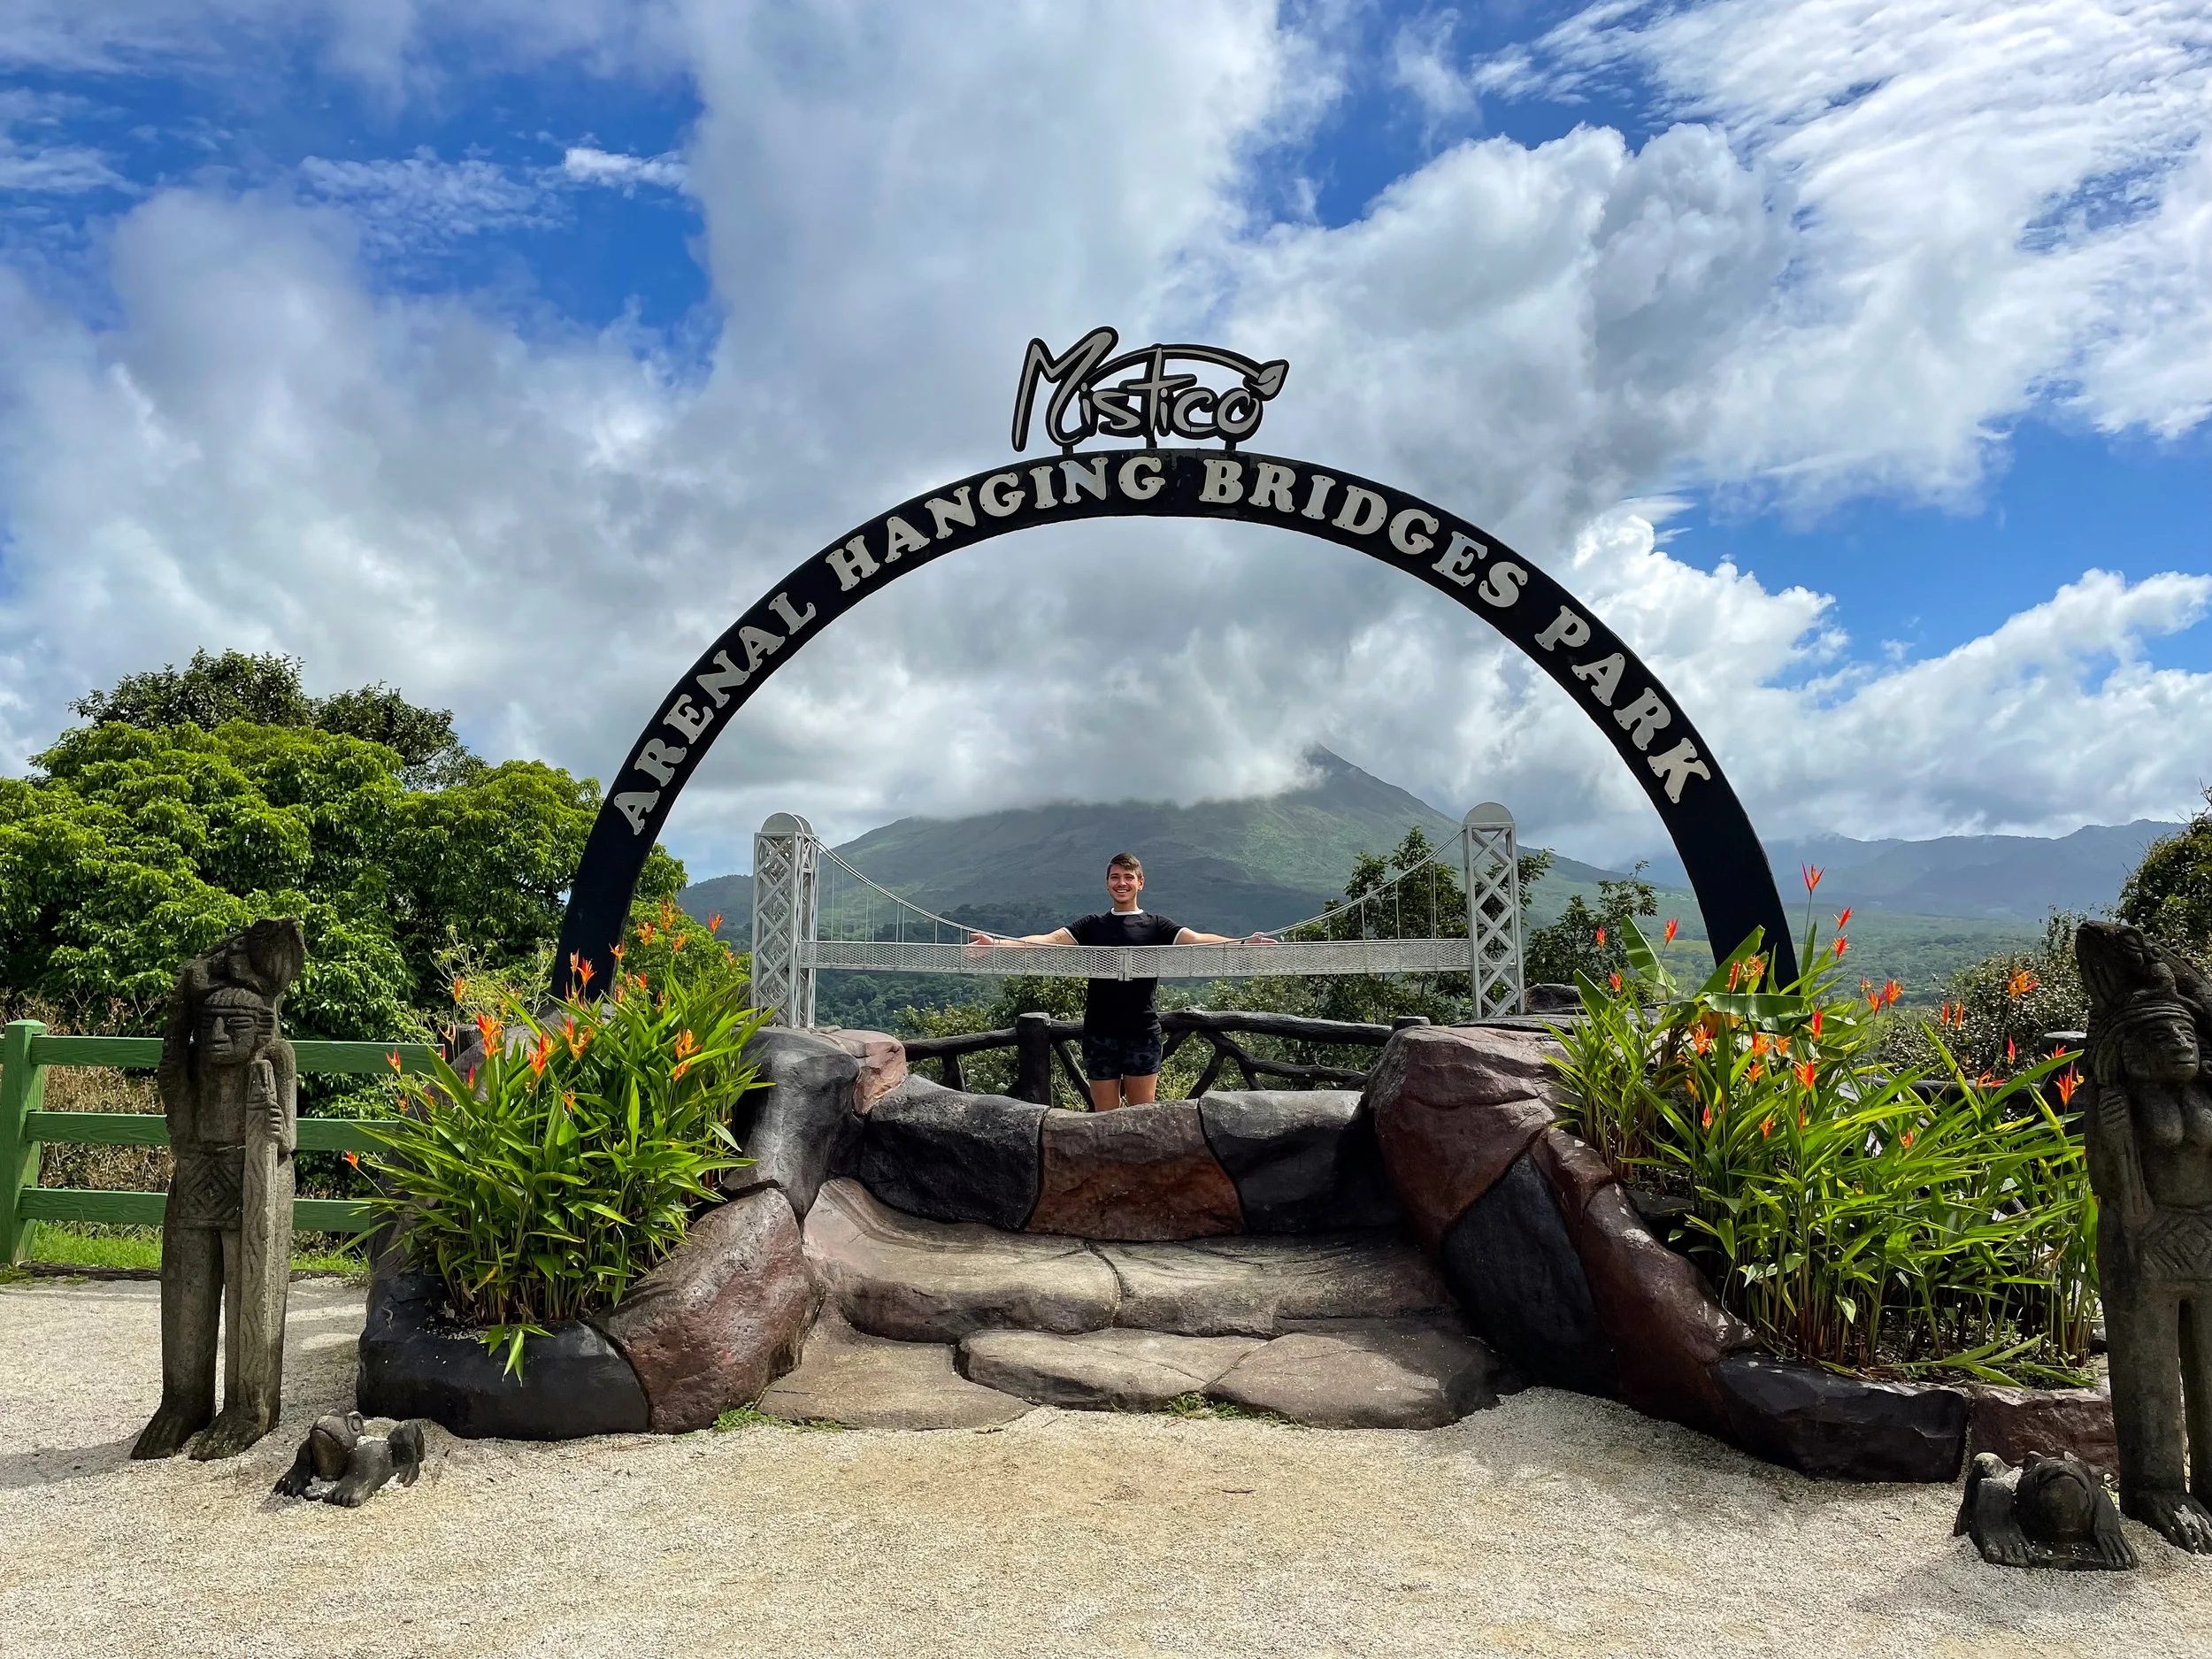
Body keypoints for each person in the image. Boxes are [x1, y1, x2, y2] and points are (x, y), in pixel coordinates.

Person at [969, 852, 1273, 1110]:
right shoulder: (1092, 925)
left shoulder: (1156, 925)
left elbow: (1197, 940)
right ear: (1107, 884)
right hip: (1100, 1033)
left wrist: (1245, 944)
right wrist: (996, 945)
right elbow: (1048, 940)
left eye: (1128, 877)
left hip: (1142, 1031)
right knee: (1104, 1119)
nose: (1121, 883)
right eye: (1115, 877)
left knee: (1142, 1117)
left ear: (1140, 883)